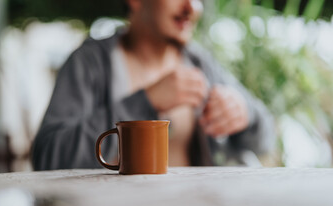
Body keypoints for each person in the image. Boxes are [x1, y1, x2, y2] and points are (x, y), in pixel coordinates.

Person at [32, 0, 275, 170]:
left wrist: (246, 114)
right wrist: (144, 102)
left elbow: (266, 139)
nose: (192, 7)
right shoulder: (90, 63)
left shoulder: (200, 63)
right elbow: (48, 159)